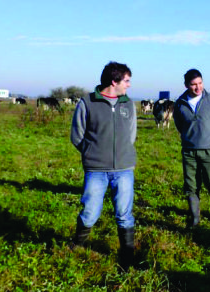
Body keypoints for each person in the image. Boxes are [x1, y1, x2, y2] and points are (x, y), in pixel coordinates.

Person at [70, 61, 137, 269]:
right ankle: (78, 243)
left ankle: (127, 256)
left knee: (124, 214)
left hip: (124, 169)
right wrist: (93, 154)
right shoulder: (87, 103)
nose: (129, 85)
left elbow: (131, 135)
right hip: (96, 170)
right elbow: (77, 136)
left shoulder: (128, 104)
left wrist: (123, 153)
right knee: (90, 211)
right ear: (113, 80)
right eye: (126, 81)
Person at [173, 69, 210, 227]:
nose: (198, 87)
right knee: (191, 185)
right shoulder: (180, 103)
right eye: (193, 84)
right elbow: (179, 123)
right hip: (189, 151)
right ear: (186, 85)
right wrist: (188, 138)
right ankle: (195, 216)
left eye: (200, 83)